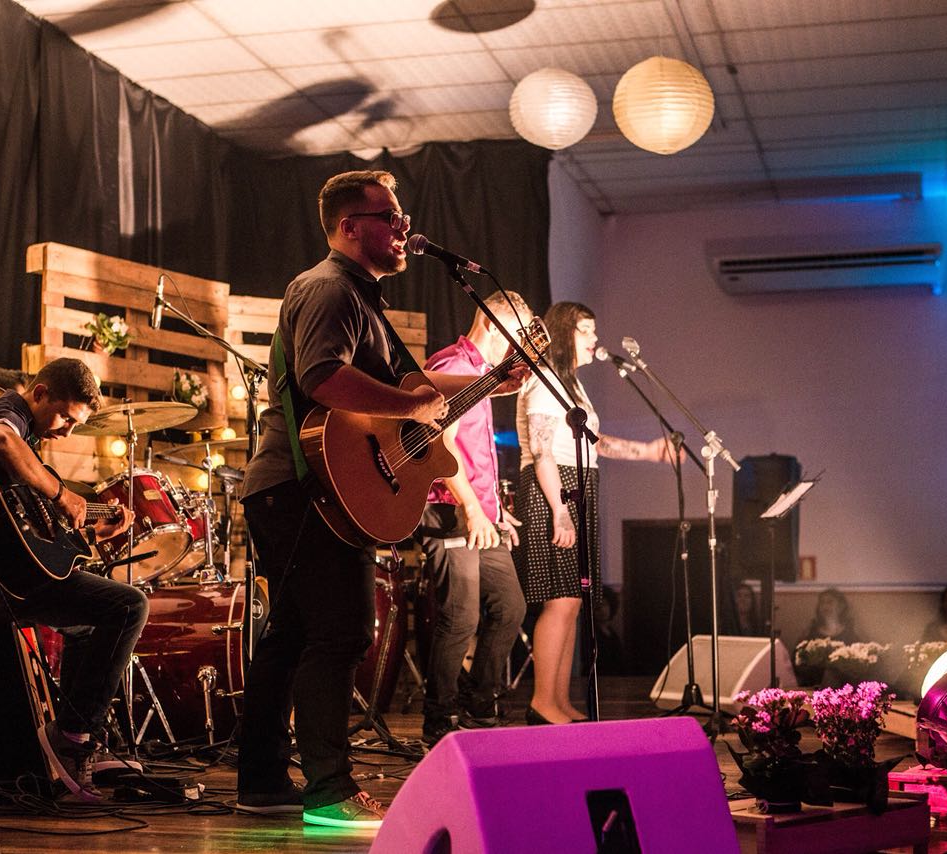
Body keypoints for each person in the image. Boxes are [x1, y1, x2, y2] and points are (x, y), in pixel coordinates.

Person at [235, 170, 511, 828]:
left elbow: (415, 387)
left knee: (292, 636)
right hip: (305, 485)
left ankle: (263, 780)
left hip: (299, 489)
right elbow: (323, 377)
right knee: (341, 631)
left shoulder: (361, 299)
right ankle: (328, 790)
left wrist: (490, 383)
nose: (404, 229)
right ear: (349, 226)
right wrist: (410, 400)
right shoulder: (329, 287)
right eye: (389, 217)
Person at [0, 357, 146, 802]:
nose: (68, 432)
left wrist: (92, 529)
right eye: (67, 418)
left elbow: (30, 528)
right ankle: (72, 738)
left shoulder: (28, 438)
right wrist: (61, 492)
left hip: (10, 574)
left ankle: (78, 737)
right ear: (39, 394)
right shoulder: (7, 414)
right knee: (130, 605)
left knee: (89, 624)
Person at [515, 301, 675, 725]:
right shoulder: (545, 380)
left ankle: (558, 699)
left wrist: (648, 452)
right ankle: (542, 702)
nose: (594, 340)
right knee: (560, 602)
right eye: (586, 330)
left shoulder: (572, 388)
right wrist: (560, 511)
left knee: (572, 601)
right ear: (565, 334)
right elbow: (543, 450)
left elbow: (594, 441)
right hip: (554, 488)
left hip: (578, 484)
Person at [415, 290, 530, 745]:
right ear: (494, 324)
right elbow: (440, 447)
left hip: (481, 513)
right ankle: (439, 719)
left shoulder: (480, 372)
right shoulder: (454, 368)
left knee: (510, 606)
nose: (519, 344)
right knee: (460, 616)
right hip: (450, 509)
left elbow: (478, 450)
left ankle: (479, 706)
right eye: (517, 334)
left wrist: (495, 511)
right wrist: (473, 508)